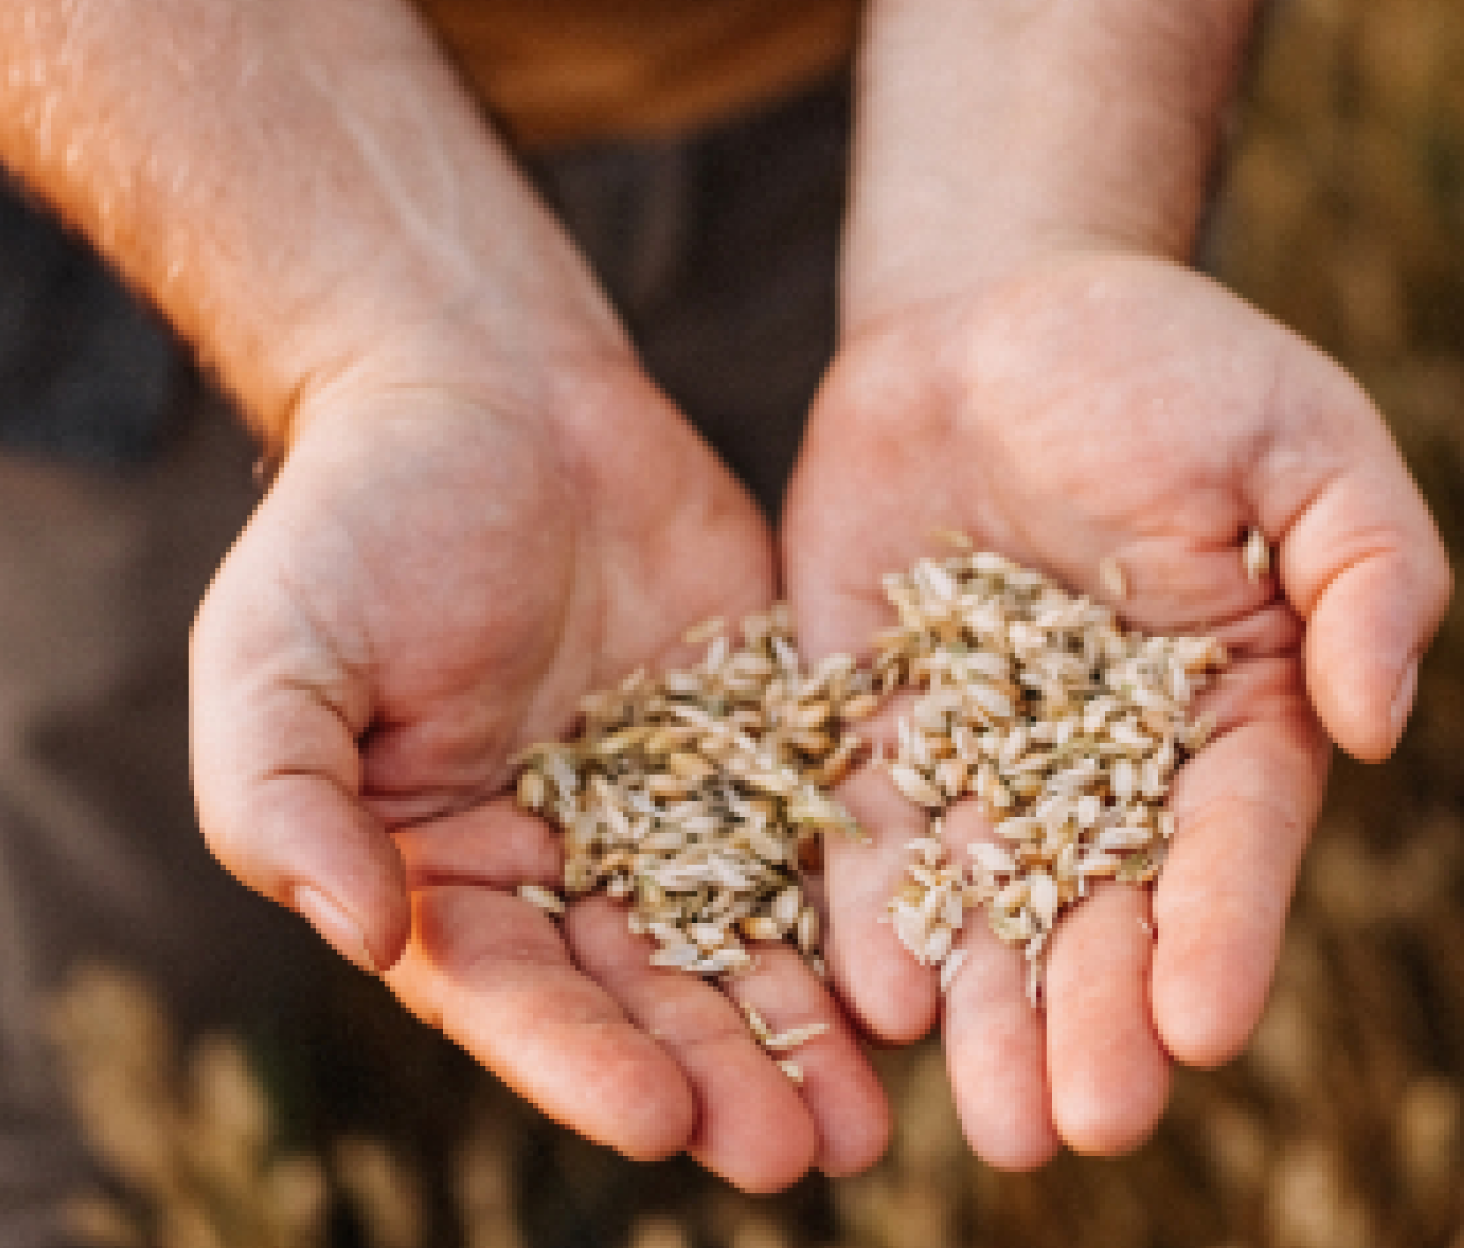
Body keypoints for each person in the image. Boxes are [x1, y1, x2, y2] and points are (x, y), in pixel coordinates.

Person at [0, 0, 1449, 1227]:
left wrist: (1046, 219)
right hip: (171, 140)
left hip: (932, 97)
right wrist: (368, 328)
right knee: (62, 1011)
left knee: (844, 1032)